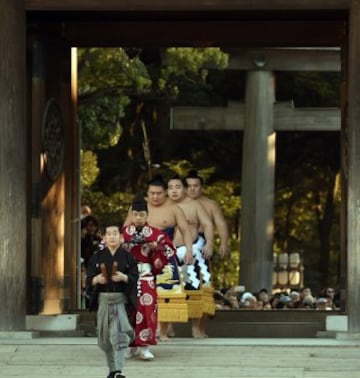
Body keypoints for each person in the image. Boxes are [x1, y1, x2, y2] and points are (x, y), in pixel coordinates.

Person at [123, 175, 193, 341]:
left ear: (165, 193)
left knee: (166, 292)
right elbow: (125, 229)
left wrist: (189, 250)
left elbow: (185, 230)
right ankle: (142, 327)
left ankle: (163, 330)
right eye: (152, 193)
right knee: (139, 293)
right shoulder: (138, 208)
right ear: (147, 193)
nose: (155, 196)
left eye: (159, 193)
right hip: (140, 255)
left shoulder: (174, 208)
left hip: (164, 254)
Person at [121, 193, 174, 360]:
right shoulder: (123, 233)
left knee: (147, 309)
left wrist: (156, 247)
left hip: (146, 277)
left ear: (147, 215)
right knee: (128, 309)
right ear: (131, 215)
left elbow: (169, 250)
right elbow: (106, 247)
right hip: (127, 278)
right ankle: (130, 345)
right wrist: (122, 245)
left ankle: (144, 346)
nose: (138, 218)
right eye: (135, 214)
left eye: (141, 215)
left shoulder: (156, 234)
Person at [86, 224, 139, 378]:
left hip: (120, 301)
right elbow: (89, 279)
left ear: (121, 237)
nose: (112, 236)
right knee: (105, 338)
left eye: (115, 233)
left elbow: (135, 277)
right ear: (104, 238)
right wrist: (96, 279)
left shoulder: (128, 257)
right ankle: (112, 370)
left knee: (119, 335)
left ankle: (119, 370)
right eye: (108, 234)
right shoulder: (96, 257)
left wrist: (124, 277)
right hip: (103, 301)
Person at [167, 174, 214, 338]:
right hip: (169, 253)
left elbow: (208, 224)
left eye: (178, 187)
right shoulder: (163, 206)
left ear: (185, 189)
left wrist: (209, 243)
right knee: (169, 289)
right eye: (170, 188)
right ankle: (168, 326)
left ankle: (196, 328)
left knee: (194, 289)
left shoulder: (194, 205)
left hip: (192, 252)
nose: (174, 191)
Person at [185, 169, 229, 258]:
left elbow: (221, 224)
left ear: (201, 187)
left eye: (195, 186)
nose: (192, 189)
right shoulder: (177, 204)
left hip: (203, 241)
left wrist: (224, 243)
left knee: (202, 270)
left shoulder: (211, 205)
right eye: (189, 186)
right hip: (181, 240)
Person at [81, 215, 102, 308]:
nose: (91, 227)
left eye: (93, 225)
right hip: (86, 267)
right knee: (87, 291)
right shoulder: (82, 240)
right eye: (89, 225)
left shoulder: (99, 240)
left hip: (98, 268)